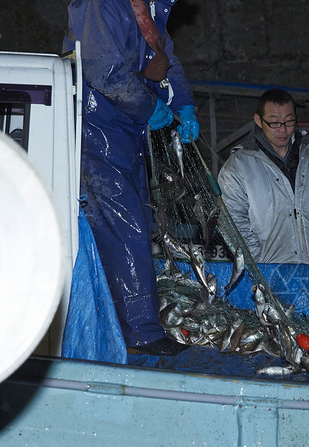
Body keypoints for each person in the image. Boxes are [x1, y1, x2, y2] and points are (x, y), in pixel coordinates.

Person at [63, 0, 200, 356]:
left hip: (126, 131)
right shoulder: (100, 4)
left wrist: (183, 102)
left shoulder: (149, 8)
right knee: (125, 226)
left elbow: (164, 55)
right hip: (96, 129)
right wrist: (150, 106)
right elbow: (104, 71)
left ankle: (127, 323)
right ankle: (138, 332)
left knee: (136, 220)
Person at [218, 89, 309, 264]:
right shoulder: (238, 166)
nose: (283, 130)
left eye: (289, 121)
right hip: (269, 272)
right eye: (274, 123)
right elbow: (230, 219)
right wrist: (256, 260)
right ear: (259, 120)